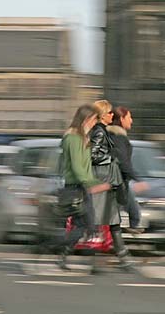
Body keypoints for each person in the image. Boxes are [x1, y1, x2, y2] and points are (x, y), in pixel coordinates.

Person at [55, 104, 109, 270]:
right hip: (76, 188)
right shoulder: (73, 138)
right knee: (88, 226)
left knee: (86, 226)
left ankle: (64, 255)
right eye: (93, 119)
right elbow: (78, 168)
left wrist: (93, 182)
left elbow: (85, 168)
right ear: (86, 119)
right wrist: (93, 184)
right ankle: (92, 263)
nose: (95, 123)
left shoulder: (82, 137)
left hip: (82, 187)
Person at [89, 99, 133, 270]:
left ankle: (122, 257)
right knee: (106, 220)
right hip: (102, 180)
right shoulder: (99, 131)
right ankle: (115, 259)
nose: (112, 115)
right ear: (102, 115)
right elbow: (93, 156)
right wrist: (111, 158)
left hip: (105, 181)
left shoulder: (101, 131)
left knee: (111, 220)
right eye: (109, 113)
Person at [107, 106, 149, 234]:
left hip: (113, 180)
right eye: (129, 117)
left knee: (129, 211)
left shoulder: (110, 136)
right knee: (131, 211)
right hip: (117, 181)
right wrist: (137, 179)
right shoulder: (119, 138)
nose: (131, 121)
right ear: (121, 118)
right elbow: (123, 161)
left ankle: (121, 237)